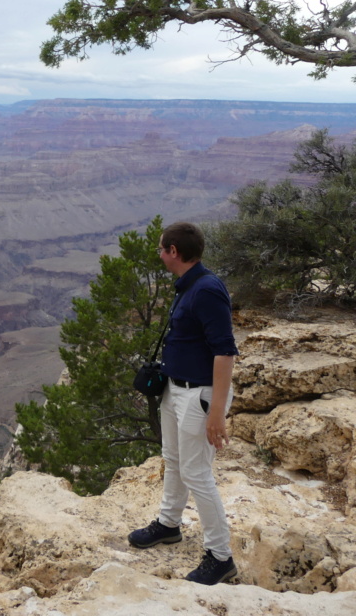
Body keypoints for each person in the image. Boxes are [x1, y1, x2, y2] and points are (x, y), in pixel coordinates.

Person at [128, 221, 239, 585]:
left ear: (174, 251)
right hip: (175, 390)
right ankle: (168, 524)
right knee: (173, 461)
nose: (159, 255)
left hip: (199, 395)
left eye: (161, 249)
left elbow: (225, 353)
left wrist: (217, 413)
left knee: (197, 473)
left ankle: (220, 556)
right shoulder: (189, 286)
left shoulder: (207, 290)